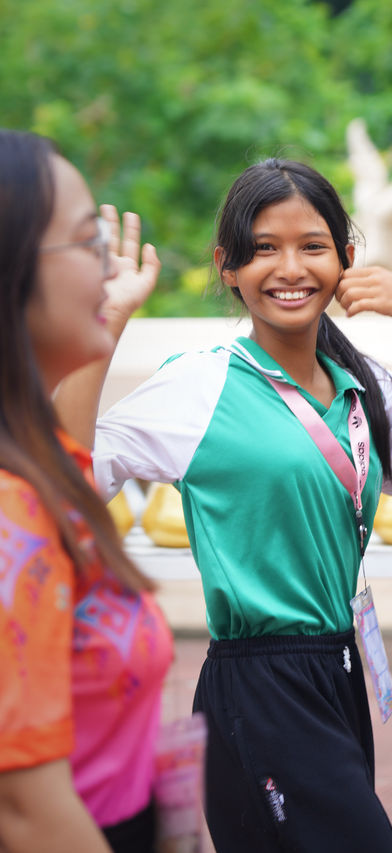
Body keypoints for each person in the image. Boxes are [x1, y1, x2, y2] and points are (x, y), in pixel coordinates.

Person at [56, 157, 392, 852]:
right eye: (264, 248)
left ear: (346, 260)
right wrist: (109, 321)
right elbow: (66, 471)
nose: (289, 267)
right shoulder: (199, 386)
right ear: (227, 267)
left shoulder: (363, 386)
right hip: (258, 684)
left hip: (339, 669)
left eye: (312, 246)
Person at [0, 129, 173, 853]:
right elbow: (26, 810)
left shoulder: (42, 465)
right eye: (85, 241)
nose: (109, 261)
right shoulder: (11, 513)